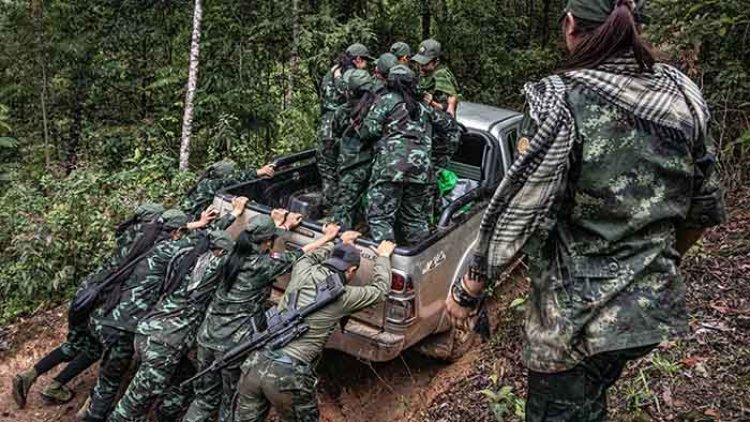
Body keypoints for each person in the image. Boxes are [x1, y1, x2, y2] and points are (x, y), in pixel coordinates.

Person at [445, 0, 726, 420]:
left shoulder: (560, 100)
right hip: (652, 310)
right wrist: (653, 267)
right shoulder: (680, 92)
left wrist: (468, 289)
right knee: (591, 396)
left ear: (571, 25)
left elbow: (520, 206)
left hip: (576, 325)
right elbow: (704, 208)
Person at [183, 215, 340, 422]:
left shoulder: (231, 254)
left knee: (203, 399)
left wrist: (282, 226)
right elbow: (301, 253)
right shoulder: (263, 265)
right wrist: (328, 237)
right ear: (267, 242)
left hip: (207, 336)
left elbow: (261, 243)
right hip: (232, 345)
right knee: (230, 402)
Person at [107, 198, 249, 422]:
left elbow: (202, 237)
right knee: (133, 405)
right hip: (165, 342)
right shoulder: (211, 267)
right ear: (221, 253)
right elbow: (244, 258)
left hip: (148, 333)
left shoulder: (185, 258)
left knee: (184, 380)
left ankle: (167, 414)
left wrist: (228, 216)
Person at [11, 203, 164, 408]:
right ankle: (52, 385)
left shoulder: (128, 233)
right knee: (90, 347)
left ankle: (32, 376)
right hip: (99, 300)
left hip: (86, 294)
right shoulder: (145, 236)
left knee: (80, 345)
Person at [233, 232, 397, 421]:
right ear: (351, 270)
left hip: (254, 362)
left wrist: (338, 243)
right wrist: (383, 257)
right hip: (287, 376)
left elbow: (310, 255)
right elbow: (381, 290)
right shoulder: (345, 297)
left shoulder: (302, 268)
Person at [82, 208, 216, 422]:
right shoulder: (167, 249)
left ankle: (92, 414)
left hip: (105, 315)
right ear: (176, 233)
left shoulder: (143, 238)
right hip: (125, 326)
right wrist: (215, 225)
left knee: (108, 380)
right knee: (113, 383)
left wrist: (195, 224)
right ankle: (95, 417)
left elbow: (172, 232)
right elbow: (194, 245)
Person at [360, 65, 434, 245]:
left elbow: (368, 131)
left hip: (391, 166)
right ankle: (419, 261)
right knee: (415, 220)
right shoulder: (422, 107)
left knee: (380, 219)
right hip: (420, 168)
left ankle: (384, 264)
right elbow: (447, 127)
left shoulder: (387, 100)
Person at [317, 43, 376, 211]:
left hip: (326, 124)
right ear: (358, 59)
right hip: (341, 124)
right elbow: (349, 91)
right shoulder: (350, 74)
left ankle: (329, 209)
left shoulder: (332, 71)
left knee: (328, 172)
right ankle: (343, 212)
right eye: (365, 61)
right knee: (346, 173)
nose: (367, 65)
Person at [331, 69, 383, 230]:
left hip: (351, 166)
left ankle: (341, 245)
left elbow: (336, 132)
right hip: (373, 165)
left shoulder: (342, 111)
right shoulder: (377, 110)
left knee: (344, 209)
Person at [181, 159, 274, 220]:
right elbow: (230, 180)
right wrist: (257, 172)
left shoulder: (210, 183)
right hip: (188, 221)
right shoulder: (209, 184)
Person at [412, 39, 460, 117]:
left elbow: (447, 108)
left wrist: (432, 102)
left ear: (436, 61)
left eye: (425, 63)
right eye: (420, 63)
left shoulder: (441, 76)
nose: (421, 67)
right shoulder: (425, 74)